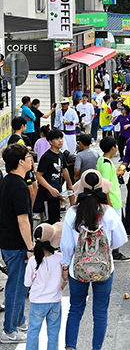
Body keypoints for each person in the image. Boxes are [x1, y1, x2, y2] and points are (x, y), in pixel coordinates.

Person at [60, 170, 128, 350]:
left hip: (77, 269)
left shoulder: (72, 214)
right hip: (104, 269)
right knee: (100, 312)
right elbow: (119, 241)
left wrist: (65, 267)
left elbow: (66, 245)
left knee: (75, 309)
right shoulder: (109, 212)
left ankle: (70, 347)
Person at [0, 144, 34, 344]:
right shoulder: (20, 186)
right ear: (20, 162)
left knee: (20, 284)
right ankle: (9, 330)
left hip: (7, 241)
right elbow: (23, 220)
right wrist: (30, 247)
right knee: (17, 287)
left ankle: (19, 321)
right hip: (16, 243)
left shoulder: (7, 181)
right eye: (28, 156)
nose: (31, 159)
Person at [24, 222, 65, 350]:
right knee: (53, 333)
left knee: (33, 332)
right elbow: (65, 278)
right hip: (55, 301)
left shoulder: (32, 261)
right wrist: (61, 286)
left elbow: (27, 283)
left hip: (37, 301)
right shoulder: (60, 258)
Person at [96, 136, 130, 263]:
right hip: (113, 200)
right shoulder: (106, 163)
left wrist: (116, 173)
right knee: (114, 226)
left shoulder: (102, 160)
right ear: (112, 148)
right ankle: (114, 251)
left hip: (113, 199)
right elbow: (105, 185)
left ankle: (113, 250)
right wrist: (108, 203)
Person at [35, 129, 74, 224]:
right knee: (49, 220)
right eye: (57, 139)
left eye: (61, 138)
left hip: (57, 193)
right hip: (47, 195)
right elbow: (39, 175)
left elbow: (64, 170)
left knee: (57, 219)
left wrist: (70, 184)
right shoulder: (46, 157)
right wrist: (50, 188)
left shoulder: (61, 154)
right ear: (50, 142)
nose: (60, 140)